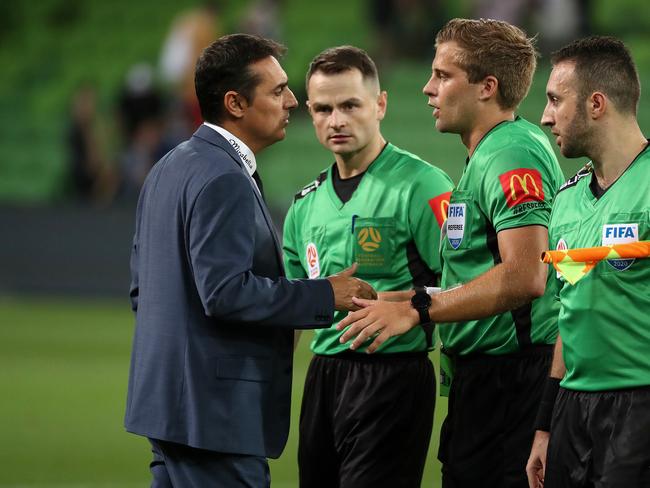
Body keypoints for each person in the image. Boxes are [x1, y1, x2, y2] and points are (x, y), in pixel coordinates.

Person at [124, 34, 376, 487]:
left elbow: (142, 288)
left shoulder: (169, 166)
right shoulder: (224, 178)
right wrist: (325, 294)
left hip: (168, 410)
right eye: (277, 91)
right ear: (236, 103)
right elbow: (225, 292)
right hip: (215, 418)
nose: (293, 101)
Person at [337, 18, 565, 487]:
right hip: (487, 382)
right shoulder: (487, 153)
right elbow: (486, 271)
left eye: (443, 76)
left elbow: (525, 276)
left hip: (512, 381)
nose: (427, 88)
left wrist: (420, 309)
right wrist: (402, 299)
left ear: (487, 87)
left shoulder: (511, 155)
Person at [283, 45, 454, 488]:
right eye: (323, 108)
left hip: (393, 378)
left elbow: (462, 282)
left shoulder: (423, 185)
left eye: (349, 105)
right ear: (310, 112)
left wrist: (399, 305)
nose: (336, 120)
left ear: (380, 105)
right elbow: (291, 303)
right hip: (323, 376)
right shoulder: (304, 206)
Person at [526, 36, 650, 488]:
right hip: (572, 411)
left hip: (639, 408)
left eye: (556, 100)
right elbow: (569, 315)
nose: (544, 117)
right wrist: (545, 424)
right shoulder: (566, 200)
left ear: (596, 103)